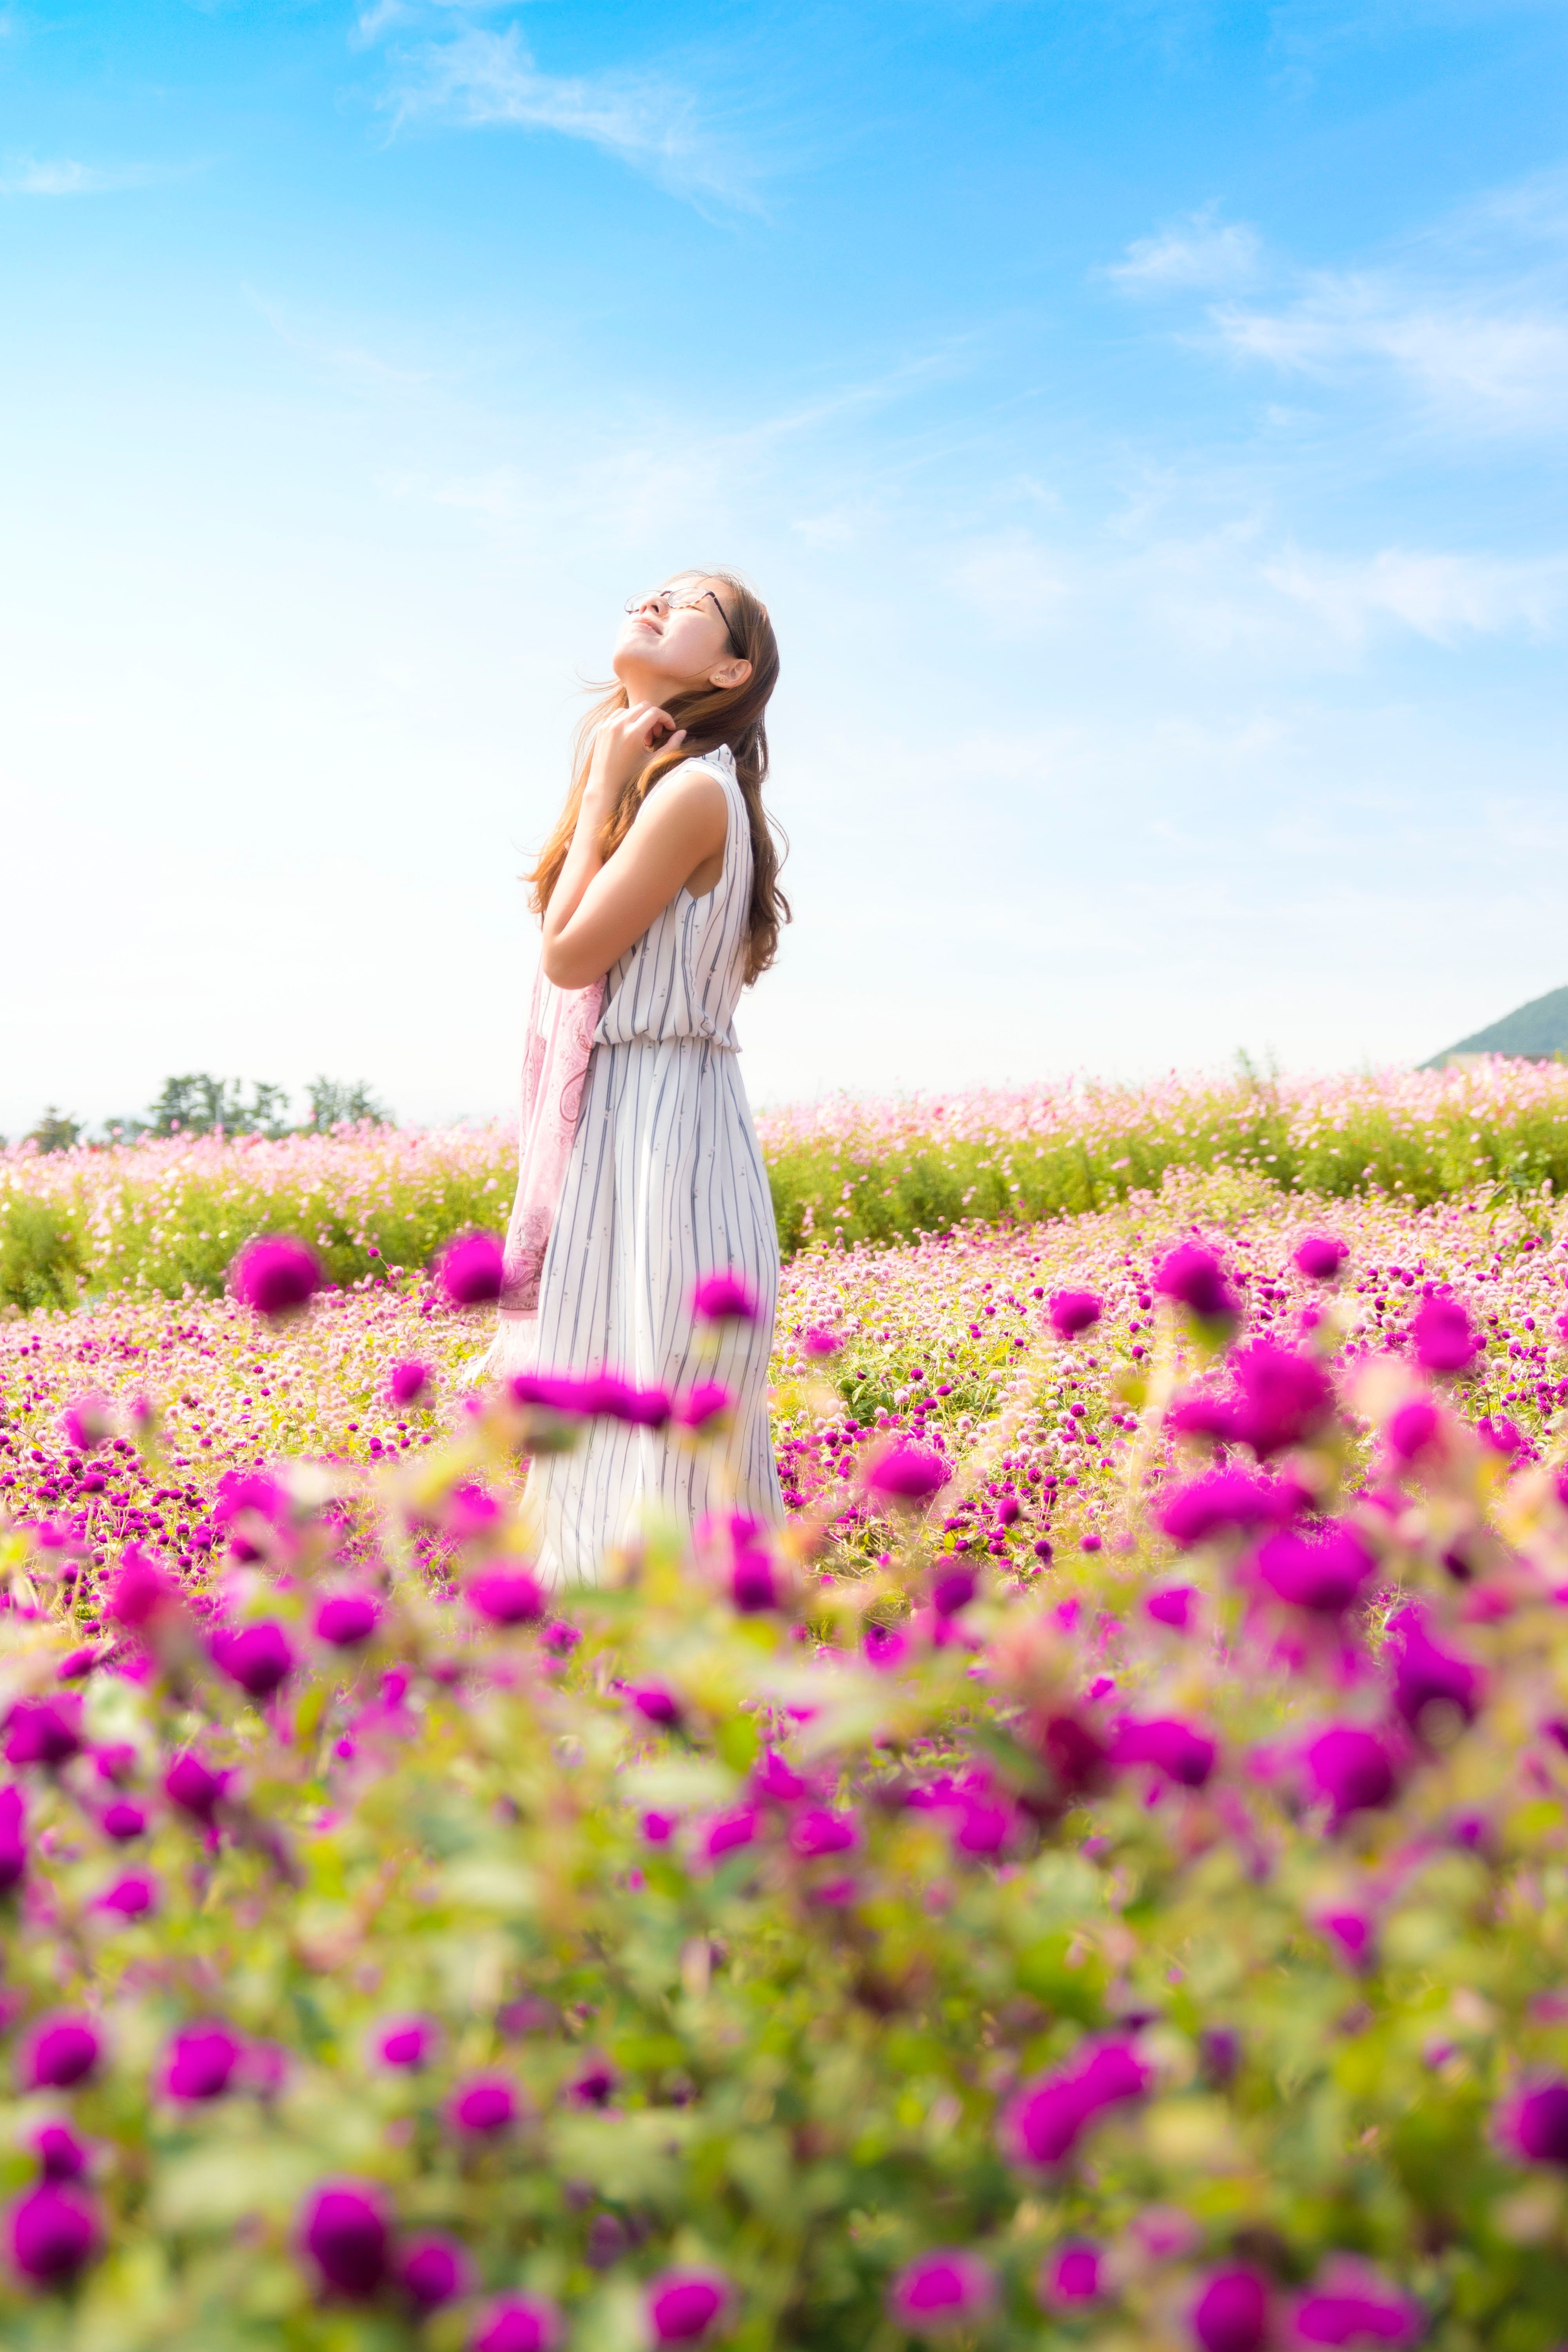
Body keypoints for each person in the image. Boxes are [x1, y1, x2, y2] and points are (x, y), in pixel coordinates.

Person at [494, 571, 789, 1583]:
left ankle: (702, 1698)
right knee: (612, 1427)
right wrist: (608, 785)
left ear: (731, 669)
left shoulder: (693, 792)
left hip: (665, 1139)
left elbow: (568, 955)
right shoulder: (677, 787)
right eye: (650, 590)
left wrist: (603, 794)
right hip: (634, 1127)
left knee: (660, 1427)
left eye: (690, 601)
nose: (654, 601)